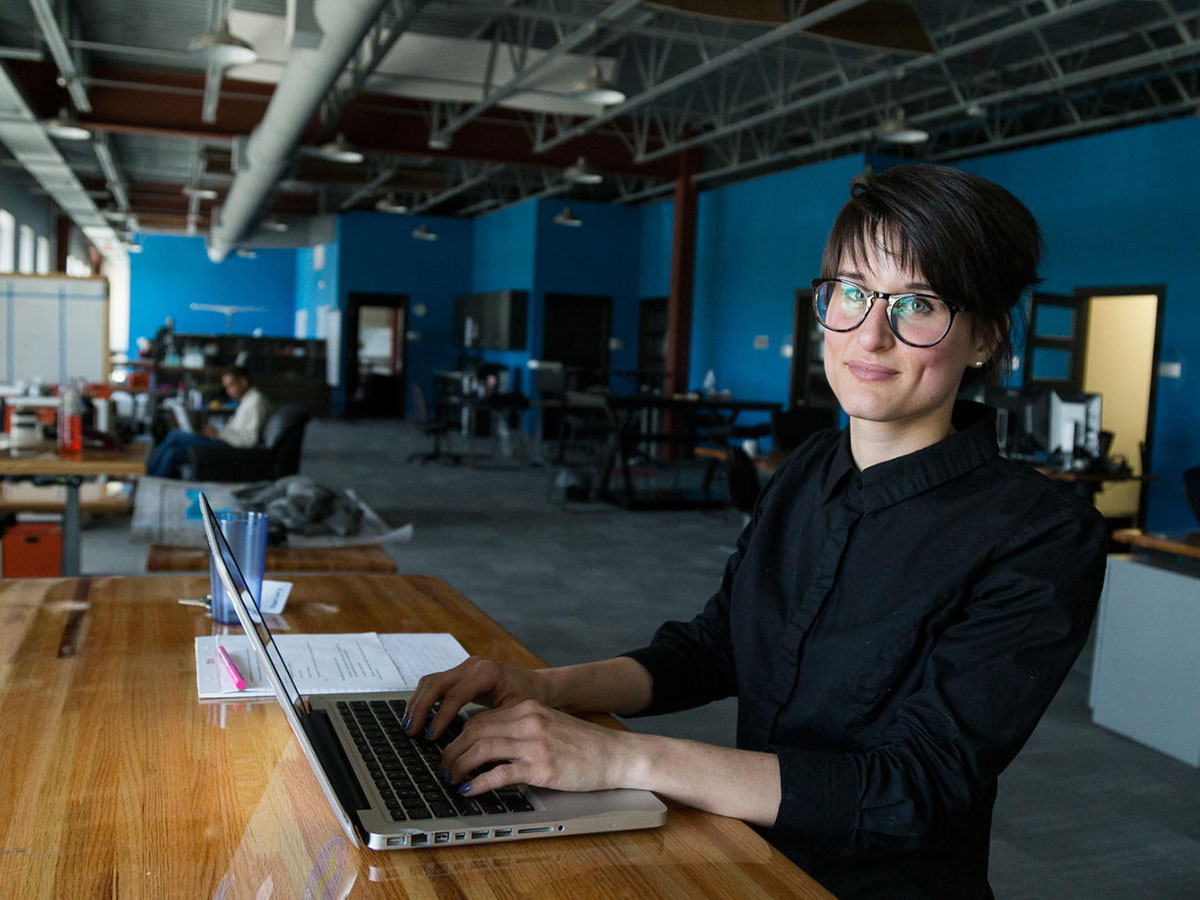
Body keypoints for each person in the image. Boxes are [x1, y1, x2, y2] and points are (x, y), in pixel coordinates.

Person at [401, 165, 1108, 900]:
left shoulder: (1042, 535)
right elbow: (714, 648)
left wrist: (623, 760)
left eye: (918, 304)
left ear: (988, 336)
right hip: (741, 857)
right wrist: (540, 687)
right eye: (852, 292)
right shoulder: (809, 469)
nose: (870, 334)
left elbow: (911, 790)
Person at [145, 366, 270, 478]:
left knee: (175, 435)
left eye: (231, 385)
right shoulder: (247, 400)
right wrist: (217, 432)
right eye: (226, 387)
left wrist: (219, 435)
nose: (228, 391)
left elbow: (249, 439)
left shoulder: (256, 401)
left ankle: (146, 475)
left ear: (243, 381)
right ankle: (148, 476)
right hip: (224, 440)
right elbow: (237, 430)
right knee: (172, 452)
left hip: (229, 446)